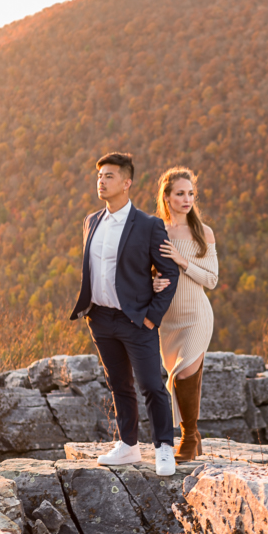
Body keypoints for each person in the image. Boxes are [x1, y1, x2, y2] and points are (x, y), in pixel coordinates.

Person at [69, 153, 180, 476]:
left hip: (136, 320)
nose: (101, 181)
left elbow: (168, 273)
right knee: (118, 383)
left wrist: (151, 317)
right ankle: (128, 445)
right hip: (100, 319)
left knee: (151, 384)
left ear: (127, 183)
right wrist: (90, 311)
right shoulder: (92, 221)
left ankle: (163, 448)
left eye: (109, 176)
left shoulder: (148, 225)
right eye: (99, 176)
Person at [151, 167, 218, 462]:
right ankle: (191, 437)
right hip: (169, 319)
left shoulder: (203, 232)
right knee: (174, 377)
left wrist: (182, 261)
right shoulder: (157, 231)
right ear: (166, 197)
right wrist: (151, 282)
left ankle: (189, 437)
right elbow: (145, 273)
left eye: (190, 193)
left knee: (185, 372)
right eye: (180, 194)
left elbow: (212, 279)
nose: (187, 199)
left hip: (197, 314)